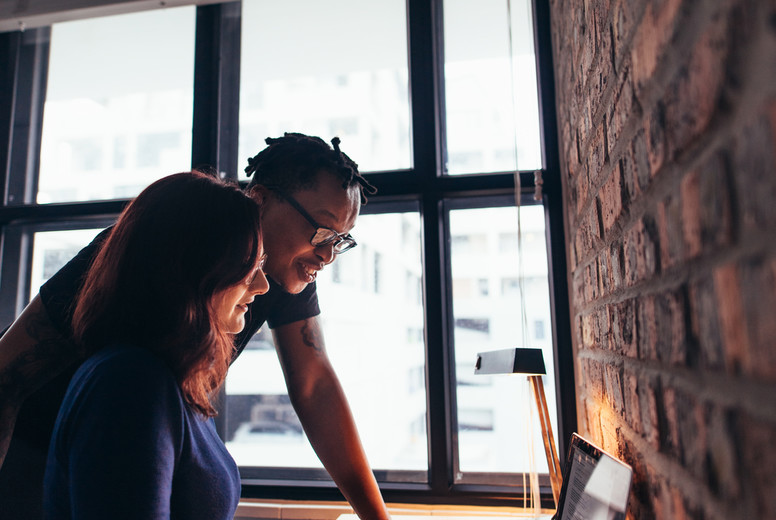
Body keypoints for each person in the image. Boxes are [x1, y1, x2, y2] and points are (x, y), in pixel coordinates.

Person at [0, 133, 390, 520]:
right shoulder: (148, 250)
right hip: (45, 457)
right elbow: (7, 372)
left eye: (340, 240)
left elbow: (315, 385)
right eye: (321, 231)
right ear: (260, 199)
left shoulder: (285, 273)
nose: (327, 254)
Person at [44, 171, 270, 519]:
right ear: (195, 267)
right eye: (247, 265)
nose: (261, 284)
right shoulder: (130, 382)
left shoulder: (175, 381)